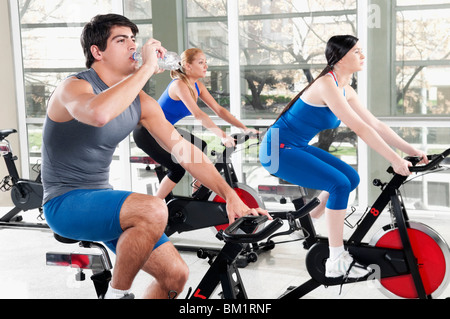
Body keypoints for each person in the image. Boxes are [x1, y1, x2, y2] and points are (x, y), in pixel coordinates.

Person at [41, 14, 268, 299]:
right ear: (97, 52)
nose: (132, 46)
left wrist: (229, 195)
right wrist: (147, 67)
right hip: (64, 203)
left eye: (133, 40)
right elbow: (98, 114)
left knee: (175, 276)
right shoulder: (73, 87)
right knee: (154, 208)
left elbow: (185, 151)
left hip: (103, 201)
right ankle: (117, 295)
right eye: (121, 40)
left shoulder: (141, 102)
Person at [259, 35, 428, 279]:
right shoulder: (326, 85)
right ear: (339, 57)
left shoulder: (345, 89)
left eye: (362, 50)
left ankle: (308, 219)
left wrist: (411, 151)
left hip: (295, 145)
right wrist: (394, 159)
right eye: (356, 51)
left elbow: (375, 124)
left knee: (351, 178)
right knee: (338, 184)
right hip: (277, 150)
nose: (362, 55)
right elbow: (361, 129)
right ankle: (335, 259)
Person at [133, 48, 258, 200]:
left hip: (165, 130)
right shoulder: (179, 85)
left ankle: (197, 197)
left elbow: (219, 110)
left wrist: (244, 128)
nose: (206, 66)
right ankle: (155, 206)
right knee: (177, 169)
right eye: (201, 62)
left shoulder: (198, 86)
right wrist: (223, 136)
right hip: (147, 132)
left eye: (206, 62)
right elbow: (199, 115)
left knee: (200, 145)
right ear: (188, 66)